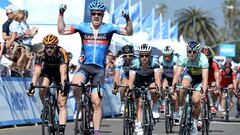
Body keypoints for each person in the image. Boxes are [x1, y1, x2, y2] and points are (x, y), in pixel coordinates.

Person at [57, 1, 133, 134]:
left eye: (99, 14)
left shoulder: (109, 28)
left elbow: (128, 32)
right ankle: (80, 105)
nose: (96, 16)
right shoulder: (83, 27)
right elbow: (61, 30)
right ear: (90, 14)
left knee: (96, 102)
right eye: (94, 14)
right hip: (85, 66)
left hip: (99, 69)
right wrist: (61, 14)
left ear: (103, 15)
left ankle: (96, 131)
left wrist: (127, 19)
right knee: (75, 84)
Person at [27, 34, 69, 135]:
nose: (49, 50)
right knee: (42, 89)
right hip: (47, 72)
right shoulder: (40, 53)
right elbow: (36, 72)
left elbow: (63, 72)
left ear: (56, 46)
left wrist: (63, 85)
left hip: (59, 73)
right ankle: (46, 107)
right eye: (47, 47)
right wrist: (32, 86)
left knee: (62, 102)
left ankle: (62, 129)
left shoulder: (62, 52)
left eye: (52, 47)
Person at [171, 40, 208, 135]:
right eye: (189, 51)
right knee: (182, 87)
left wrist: (203, 92)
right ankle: (181, 109)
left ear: (198, 52)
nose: (191, 54)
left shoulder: (203, 59)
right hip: (189, 75)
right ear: (186, 51)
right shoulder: (183, 57)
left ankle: (195, 123)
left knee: (196, 100)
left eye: (194, 52)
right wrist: (173, 87)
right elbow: (177, 75)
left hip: (199, 79)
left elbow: (205, 78)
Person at [128, 43, 161, 135]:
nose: (144, 58)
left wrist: (158, 89)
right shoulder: (135, 63)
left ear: (150, 55)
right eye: (142, 55)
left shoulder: (154, 62)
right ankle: (139, 124)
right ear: (139, 55)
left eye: (146, 55)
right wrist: (130, 90)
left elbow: (157, 79)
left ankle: (154, 106)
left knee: (153, 89)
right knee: (139, 104)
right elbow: (131, 80)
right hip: (139, 79)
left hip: (150, 78)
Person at [113, 45, 136, 114]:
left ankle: (135, 102)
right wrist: (115, 86)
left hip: (135, 75)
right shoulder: (119, 60)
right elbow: (117, 75)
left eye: (130, 55)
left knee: (134, 87)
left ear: (133, 55)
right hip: (125, 75)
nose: (128, 58)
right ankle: (123, 102)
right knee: (123, 87)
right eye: (125, 56)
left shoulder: (137, 60)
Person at [159, 46, 178, 120]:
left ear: (172, 55)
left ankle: (176, 114)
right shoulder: (161, 59)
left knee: (175, 97)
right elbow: (160, 72)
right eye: (165, 56)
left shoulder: (175, 59)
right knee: (164, 87)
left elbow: (176, 73)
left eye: (168, 56)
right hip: (166, 77)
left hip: (174, 77)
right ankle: (164, 103)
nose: (166, 58)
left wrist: (174, 86)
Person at [201, 46, 220, 115]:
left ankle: (213, 104)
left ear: (211, 56)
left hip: (212, 80)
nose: (206, 58)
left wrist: (217, 87)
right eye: (204, 56)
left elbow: (217, 76)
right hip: (202, 79)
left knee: (214, 88)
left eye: (208, 56)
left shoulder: (214, 63)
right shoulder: (198, 61)